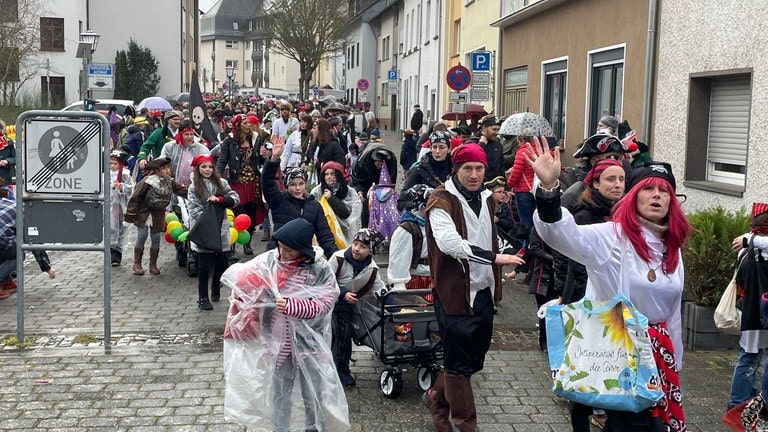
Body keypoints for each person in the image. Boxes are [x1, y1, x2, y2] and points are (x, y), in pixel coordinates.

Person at [527, 136, 692, 432]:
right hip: (621, 354)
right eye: (648, 189)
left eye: (663, 191)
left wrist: (674, 364)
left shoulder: (672, 247)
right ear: (634, 197)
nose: (656, 196)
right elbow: (561, 235)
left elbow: (673, 313)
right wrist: (550, 190)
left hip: (659, 359)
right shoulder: (612, 237)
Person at [423, 143, 525, 432]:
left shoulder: (487, 198)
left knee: (471, 361)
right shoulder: (441, 200)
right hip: (453, 292)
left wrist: (514, 254)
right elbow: (449, 243)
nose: (474, 174)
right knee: (457, 364)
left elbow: (491, 236)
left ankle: (435, 398)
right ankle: (466, 424)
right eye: (467, 168)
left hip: (483, 291)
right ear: (456, 169)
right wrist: (495, 257)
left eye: (479, 168)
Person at [221, 218, 349, 432]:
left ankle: (314, 427)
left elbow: (325, 302)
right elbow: (249, 284)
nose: (284, 254)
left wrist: (293, 305)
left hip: (310, 347)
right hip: (278, 343)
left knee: (312, 393)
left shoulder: (318, 269)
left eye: (290, 251)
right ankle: (281, 428)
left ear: (302, 250)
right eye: (281, 248)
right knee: (281, 392)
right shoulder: (271, 263)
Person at [261, 138, 338, 259]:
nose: (297, 188)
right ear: (287, 186)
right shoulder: (280, 201)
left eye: (301, 184)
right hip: (279, 253)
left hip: (303, 254)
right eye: (293, 184)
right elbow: (267, 182)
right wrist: (274, 159)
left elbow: (325, 236)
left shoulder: (314, 206)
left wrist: (336, 259)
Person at [329, 228, 386, 387]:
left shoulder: (372, 269)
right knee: (330, 334)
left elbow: (379, 288)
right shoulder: (338, 258)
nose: (356, 249)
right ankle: (328, 367)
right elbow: (326, 279)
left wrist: (388, 303)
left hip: (347, 306)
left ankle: (343, 369)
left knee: (344, 334)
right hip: (329, 302)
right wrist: (342, 293)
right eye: (355, 244)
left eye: (362, 247)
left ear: (371, 251)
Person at [187, 154, 240, 310]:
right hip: (204, 229)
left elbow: (235, 198)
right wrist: (207, 218)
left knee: (222, 262)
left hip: (221, 228)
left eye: (210, 166)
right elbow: (194, 209)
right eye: (204, 167)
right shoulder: (194, 187)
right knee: (204, 265)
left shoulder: (221, 183)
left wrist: (222, 201)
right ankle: (203, 296)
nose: (207, 170)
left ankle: (216, 286)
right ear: (198, 169)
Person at [729, 205, 768, 411]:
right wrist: (751, 239)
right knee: (750, 357)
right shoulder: (756, 250)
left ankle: (744, 400)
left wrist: (749, 238)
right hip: (755, 313)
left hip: (751, 311)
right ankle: (738, 404)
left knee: (752, 356)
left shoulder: (748, 246)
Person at [124, 158, 188, 275]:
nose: (167, 171)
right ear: (157, 170)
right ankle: (137, 263)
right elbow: (135, 197)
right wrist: (131, 213)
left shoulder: (170, 181)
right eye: (163, 168)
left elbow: (182, 191)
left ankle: (153, 264)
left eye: (168, 168)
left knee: (156, 239)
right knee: (142, 236)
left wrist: (196, 194)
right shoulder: (148, 181)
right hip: (144, 214)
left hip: (158, 214)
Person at [216, 114, 263, 256]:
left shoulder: (255, 139)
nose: (248, 125)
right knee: (238, 211)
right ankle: (232, 244)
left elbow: (260, 158)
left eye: (249, 123)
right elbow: (222, 160)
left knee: (251, 211)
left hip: (253, 181)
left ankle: (247, 243)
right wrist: (215, 177)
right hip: (237, 181)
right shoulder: (229, 141)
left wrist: (265, 155)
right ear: (238, 125)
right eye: (245, 123)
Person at [388, 185, 433, 294]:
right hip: (416, 279)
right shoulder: (406, 229)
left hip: (435, 276)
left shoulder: (434, 224)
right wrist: (399, 286)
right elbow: (399, 260)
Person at [309, 161, 362, 246]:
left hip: (344, 230)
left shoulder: (349, 191)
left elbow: (348, 214)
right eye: (326, 174)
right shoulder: (317, 192)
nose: (329, 177)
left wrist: (331, 198)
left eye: (332, 174)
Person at [399, 130, 453, 211]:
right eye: (434, 147)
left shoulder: (455, 171)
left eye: (441, 147)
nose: (437, 151)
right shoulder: (418, 170)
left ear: (449, 149)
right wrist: (420, 205)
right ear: (430, 148)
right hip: (425, 218)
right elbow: (401, 202)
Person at [109, 149, 134, 267]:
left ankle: (117, 253)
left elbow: (131, 189)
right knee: (110, 228)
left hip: (121, 207)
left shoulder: (125, 175)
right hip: (110, 207)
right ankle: (110, 250)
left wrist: (122, 187)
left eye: (115, 164)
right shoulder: (104, 175)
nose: (112, 166)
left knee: (121, 229)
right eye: (110, 163)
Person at [477, 115, 504, 181]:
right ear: (484, 128)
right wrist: (481, 145)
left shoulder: (498, 144)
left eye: (498, 129)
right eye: (494, 129)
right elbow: (472, 159)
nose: (497, 133)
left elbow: (501, 165)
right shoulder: (474, 142)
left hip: (495, 184)